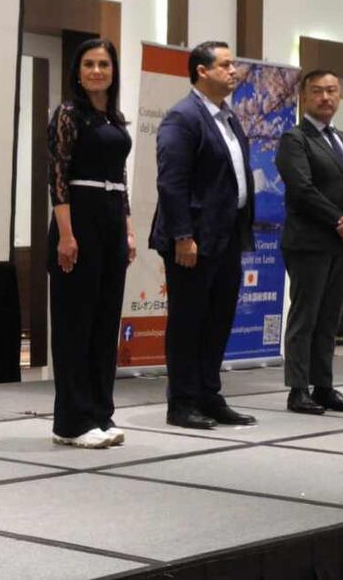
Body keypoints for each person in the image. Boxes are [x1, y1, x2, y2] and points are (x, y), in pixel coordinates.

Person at [149, 41, 257, 430]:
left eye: (233, 65)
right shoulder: (184, 116)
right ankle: (181, 402)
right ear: (202, 71)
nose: (234, 71)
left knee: (218, 320)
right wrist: (182, 235)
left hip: (226, 237)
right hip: (192, 239)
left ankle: (209, 395)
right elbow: (171, 181)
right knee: (188, 322)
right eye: (225, 65)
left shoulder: (227, 117)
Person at [47, 39, 136, 449]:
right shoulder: (68, 113)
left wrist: (129, 228)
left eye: (103, 64)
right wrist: (66, 234)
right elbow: (58, 176)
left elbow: (121, 178)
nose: (97, 70)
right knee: (75, 324)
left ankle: (101, 412)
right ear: (77, 71)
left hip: (111, 218)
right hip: (78, 217)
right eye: (88, 64)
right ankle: (72, 421)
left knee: (104, 324)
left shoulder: (114, 118)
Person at [276, 69, 343, 415]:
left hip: (342, 243)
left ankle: (324, 386)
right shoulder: (294, 139)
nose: (325, 97)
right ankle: (298, 389)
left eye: (331, 91)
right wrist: (339, 220)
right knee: (305, 315)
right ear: (304, 97)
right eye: (317, 91)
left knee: (330, 318)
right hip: (309, 242)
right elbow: (301, 189)